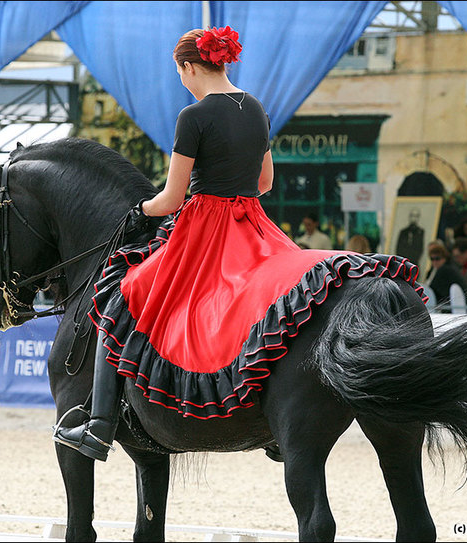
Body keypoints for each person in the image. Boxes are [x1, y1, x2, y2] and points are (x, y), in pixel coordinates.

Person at [53, 26, 425, 463]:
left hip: (204, 229)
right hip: (252, 223)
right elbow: (265, 182)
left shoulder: (193, 117)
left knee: (123, 292)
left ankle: (99, 424)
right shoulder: (256, 108)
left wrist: (141, 210)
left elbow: (172, 199)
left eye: (181, 72)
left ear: (190, 66)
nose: (183, 81)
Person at [425, 240, 465, 312]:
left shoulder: (445, 270)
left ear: (444, 258)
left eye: (437, 259)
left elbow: (432, 291)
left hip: (449, 308)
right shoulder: (436, 269)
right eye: (432, 259)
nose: (434, 262)